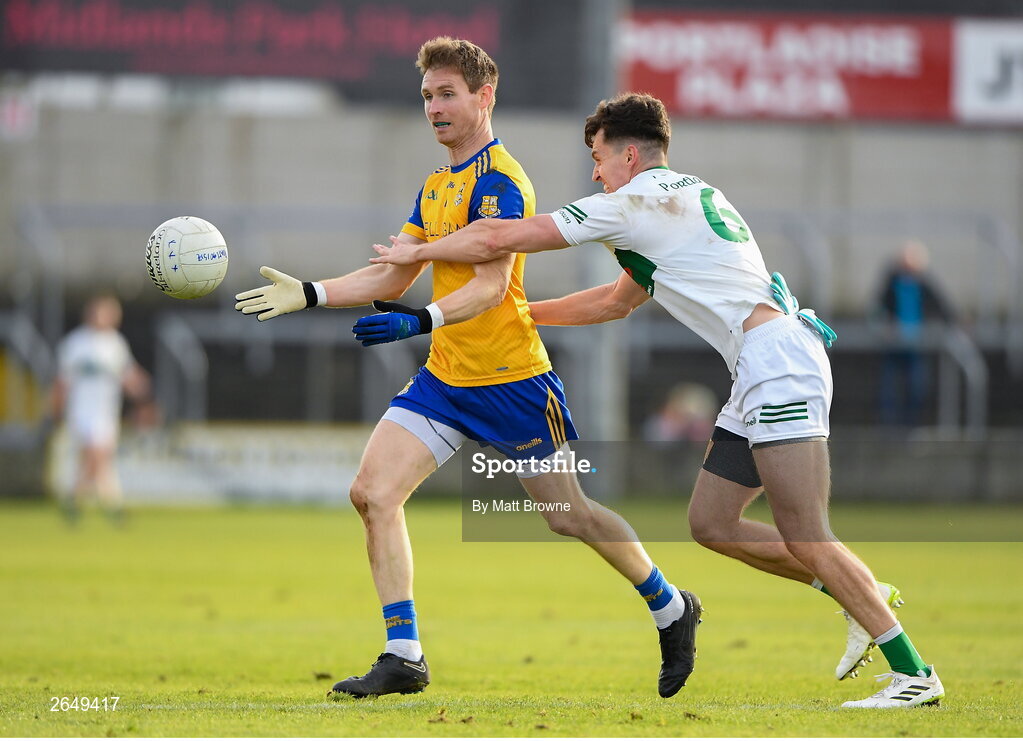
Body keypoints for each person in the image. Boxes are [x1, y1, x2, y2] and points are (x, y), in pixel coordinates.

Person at [368, 92, 944, 709]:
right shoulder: (688, 194)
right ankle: (858, 594)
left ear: (630, 154)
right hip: (763, 364)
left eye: (598, 156)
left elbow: (499, 239)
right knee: (711, 524)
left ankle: (914, 674)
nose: (595, 172)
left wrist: (420, 251)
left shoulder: (632, 202)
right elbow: (614, 302)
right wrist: (522, 318)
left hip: (779, 365)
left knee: (804, 530)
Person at [234, 40, 700, 700]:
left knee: (569, 516)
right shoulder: (434, 185)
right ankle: (403, 654)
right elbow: (395, 270)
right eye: (426, 95)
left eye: (447, 93)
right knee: (372, 492)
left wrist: (419, 320)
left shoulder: (501, 180)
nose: (434, 107)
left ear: (484, 96)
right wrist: (310, 292)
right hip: (446, 380)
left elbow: (488, 284)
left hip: (513, 379)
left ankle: (670, 605)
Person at [50, 294, 151, 523]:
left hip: (106, 411)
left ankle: (79, 502)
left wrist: (146, 396)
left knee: (98, 460)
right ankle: (111, 506)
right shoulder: (75, 344)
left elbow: (129, 377)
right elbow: (61, 382)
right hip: (81, 411)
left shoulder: (115, 344)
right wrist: (56, 411)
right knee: (97, 455)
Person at [876, 239, 955, 428]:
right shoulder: (891, 284)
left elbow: (942, 308)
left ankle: (911, 426)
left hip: (917, 346)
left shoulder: (924, 284)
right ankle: (889, 428)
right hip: (894, 346)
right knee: (889, 390)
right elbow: (877, 309)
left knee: (917, 389)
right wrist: (885, 326)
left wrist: (953, 323)